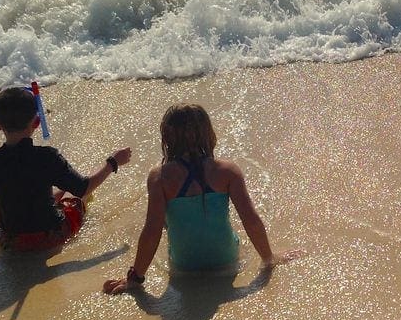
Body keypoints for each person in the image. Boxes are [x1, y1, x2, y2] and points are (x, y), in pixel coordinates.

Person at [103, 104, 302, 294]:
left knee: (162, 222)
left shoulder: (159, 177)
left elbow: (151, 231)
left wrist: (135, 278)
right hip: (226, 259)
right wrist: (269, 258)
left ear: (167, 138)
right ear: (208, 134)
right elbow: (251, 220)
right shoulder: (228, 171)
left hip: (184, 264)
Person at [0, 86, 132, 251]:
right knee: (77, 197)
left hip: (12, 240)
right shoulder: (48, 157)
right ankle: (60, 197)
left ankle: (55, 197)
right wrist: (113, 162)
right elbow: (84, 186)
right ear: (36, 123)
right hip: (51, 237)